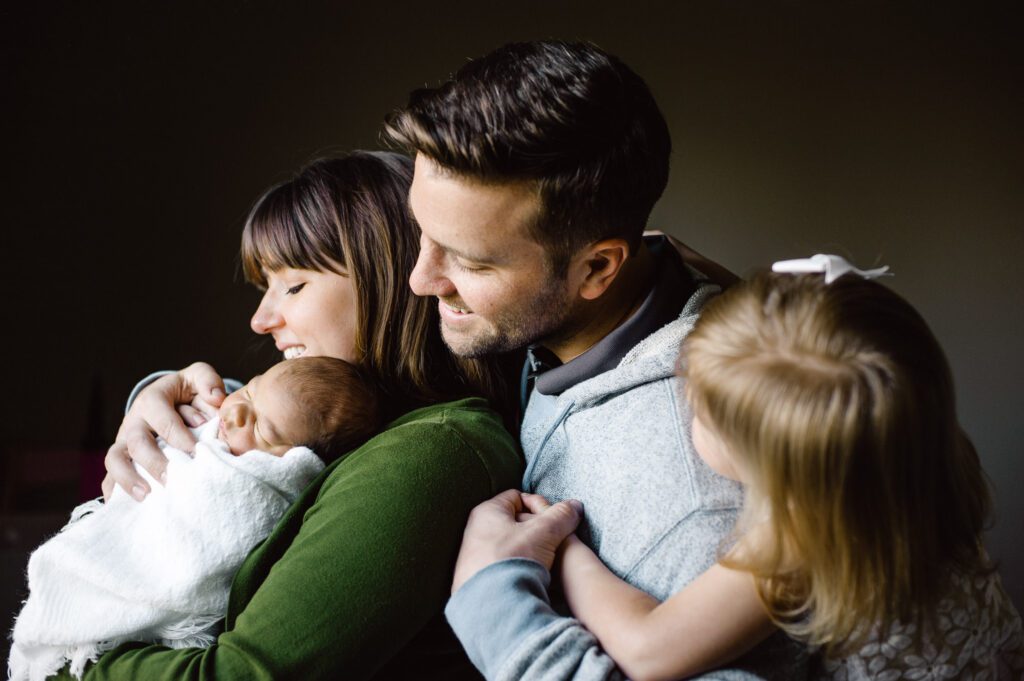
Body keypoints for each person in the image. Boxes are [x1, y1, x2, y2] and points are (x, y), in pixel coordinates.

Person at [383, 40, 804, 679]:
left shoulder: (694, 502)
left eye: (470, 261)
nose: (420, 279)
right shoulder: (611, 288)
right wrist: (193, 401)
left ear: (599, 267)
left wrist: (493, 600)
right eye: (423, 232)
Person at [91, 151, 522, 681]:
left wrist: (72, 655)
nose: (260, 320)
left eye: (293, 285)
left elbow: (239, 674)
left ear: (388, 281)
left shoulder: (430, 450)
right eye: (263, 288)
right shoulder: (343, 436)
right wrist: (160, 406)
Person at [540, 265, 1024, 681]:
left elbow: (649, 650)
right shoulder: (909, 444)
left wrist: (561, 548)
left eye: (701, 415)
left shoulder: (803, 541)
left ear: (777, 474)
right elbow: (788, 330)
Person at [11, 356, 380, 681]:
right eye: (250, 390)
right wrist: (160, 392)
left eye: (263, 429)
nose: (233, 412)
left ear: (298, 464)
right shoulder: (261, 401)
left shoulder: (282, 477)